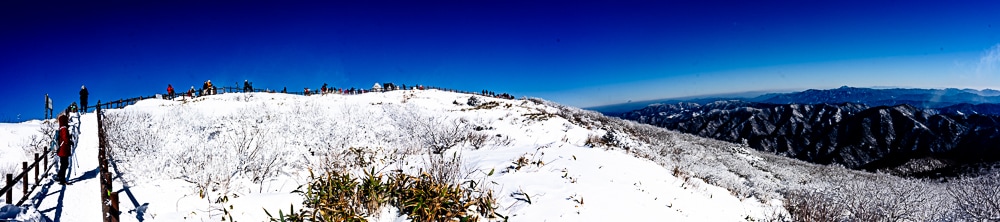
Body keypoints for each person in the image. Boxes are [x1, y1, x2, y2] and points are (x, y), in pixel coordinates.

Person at [56, 110, 72, 185]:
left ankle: (59, 176)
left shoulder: (61, 128)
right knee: (65, 164)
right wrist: (69, 141)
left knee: (63, 164)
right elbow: (65, 138)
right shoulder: (64, 128)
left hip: (61, 149)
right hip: (64, 149)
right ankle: (62, 180)